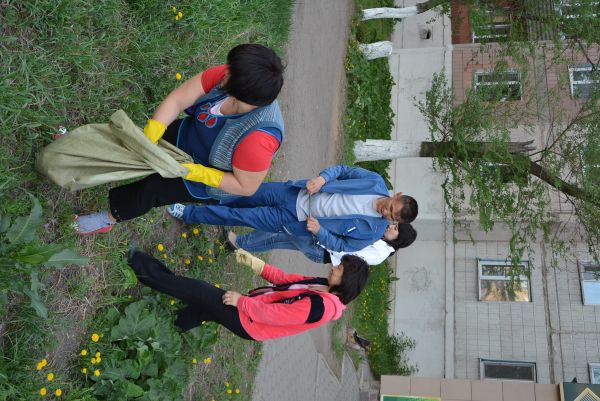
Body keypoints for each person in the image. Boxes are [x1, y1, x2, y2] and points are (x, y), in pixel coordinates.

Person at [75, 43, 285, 234]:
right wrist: (152, 133)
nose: (224, 71)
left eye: (230, 73)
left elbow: (245, 187)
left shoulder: (259, 140)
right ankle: (83, 156)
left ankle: (107, 219)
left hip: (204, 176)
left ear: (243, 93)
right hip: (186, 135)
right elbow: (178, 99)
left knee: (151, 190)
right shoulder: (234, 75)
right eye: (229, 68)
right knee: (130, 145)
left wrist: (196, 172)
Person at [127, 248, 369, 341]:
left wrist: (242, 302)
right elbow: (285, 280)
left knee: (198, 290)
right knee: (203, 310)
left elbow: (276, 315)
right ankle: (168, 328)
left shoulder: (321, 308)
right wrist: (257, 264)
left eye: (340, 269)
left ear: (347, 281)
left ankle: (138, 264)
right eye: (339, 264)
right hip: (252, 310)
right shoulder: (323, 285)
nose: (335, 267)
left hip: (251, 322)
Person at [169, 165, 419, 252]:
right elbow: (342, 170)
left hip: (292, 219)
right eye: (391, 207)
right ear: (396, 195)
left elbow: (342, 246)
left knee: (239, 216)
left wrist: (320, 231)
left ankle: (188, 213)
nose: (386, 213)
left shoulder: (373, 232)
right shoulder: (374, 181)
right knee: (243, 192)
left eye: (392, 217)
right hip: (295, 192)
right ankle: (196, 193)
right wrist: (322, 179)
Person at [226, 223, 417, 265]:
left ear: (398, 239)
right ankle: (240, 246)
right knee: (278, 239)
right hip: (320, 244)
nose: (391, 226)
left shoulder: (380, 253)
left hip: (321, 248)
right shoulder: (381, 241)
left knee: (283, 227)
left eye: (396, 229)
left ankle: (238, 242)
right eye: (395, 224)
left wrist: (322, 237)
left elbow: (348, 253)